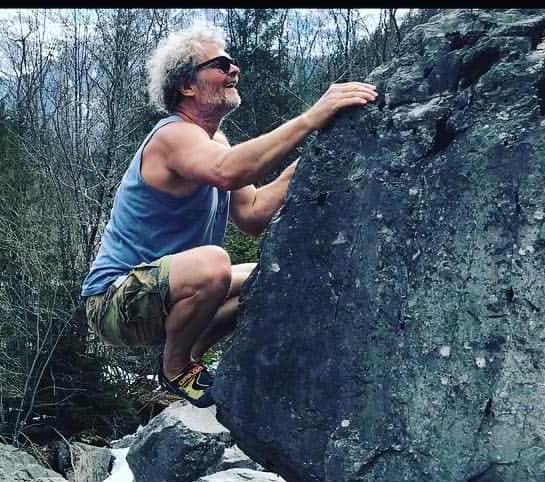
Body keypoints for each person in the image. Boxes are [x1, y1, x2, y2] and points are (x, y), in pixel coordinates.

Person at [81, 25, 378, 408]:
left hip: (164, 291)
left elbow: (252, 215)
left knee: (271, 277)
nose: (234, 70)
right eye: (221, 65)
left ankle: (190, 358)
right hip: (113, 301)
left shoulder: (215, 143)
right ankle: (175, 369)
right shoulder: (174, 136)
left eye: (232, 63)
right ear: (187, 85)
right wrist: (312, 118)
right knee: (214, 264)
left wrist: (317, 158)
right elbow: (228, 172)